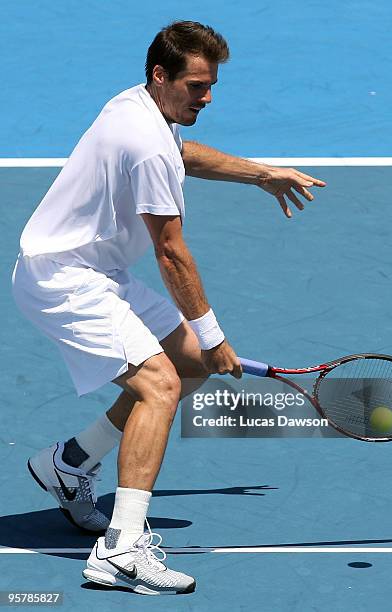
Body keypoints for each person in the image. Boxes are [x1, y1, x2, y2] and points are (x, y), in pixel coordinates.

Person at [12, 20, 326, 596]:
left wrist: (261, 173)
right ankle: (122, 550)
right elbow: (170, 252)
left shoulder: (137, 106)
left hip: (97, 271)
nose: (207, 97)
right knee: (160, 385)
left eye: (211, 86)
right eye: (197, 86)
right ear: (162, 75)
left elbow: (185, 154)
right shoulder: (146, 142)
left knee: (191, 367)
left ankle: (71, 462)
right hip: (63, 279)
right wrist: (214, 333)